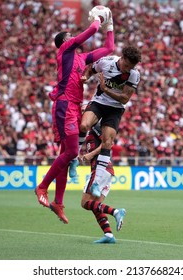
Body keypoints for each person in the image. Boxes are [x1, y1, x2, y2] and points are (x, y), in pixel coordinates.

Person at [35, 9, 115, 224]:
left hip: (74, 106)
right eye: (69, 36)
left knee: (67, 154)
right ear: (63, 43)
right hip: (64, 105)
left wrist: (110, 27)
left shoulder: (82, 58)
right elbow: (90, 31)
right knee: (71, 151)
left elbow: (109, 48)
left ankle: (58, 202)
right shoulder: (64, 51)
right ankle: (42, 186)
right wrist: (98, 19)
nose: (72, 38)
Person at [79, 45, 142, 197]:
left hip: (115, 108)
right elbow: (90, 69)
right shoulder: (106, 62)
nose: (127, 69)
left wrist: (106, 89)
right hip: (99, 103)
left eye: (130, 67)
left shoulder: (134, 74)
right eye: (126, 65)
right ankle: (74, 158)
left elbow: (125, 99)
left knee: (108, 142)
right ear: (122, 58)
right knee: (84, 125)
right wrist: (85, 77)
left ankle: (97, 183)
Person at [79, 120, 126, 243]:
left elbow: (107, 143)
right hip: (106, 171)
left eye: (85, 108)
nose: (83, 111)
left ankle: (116, 212)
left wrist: (91, 154)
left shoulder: (96, 126)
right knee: (96, 206)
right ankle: (109, 235)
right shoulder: (87, 130)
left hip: (101, 169)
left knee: (85, 203)